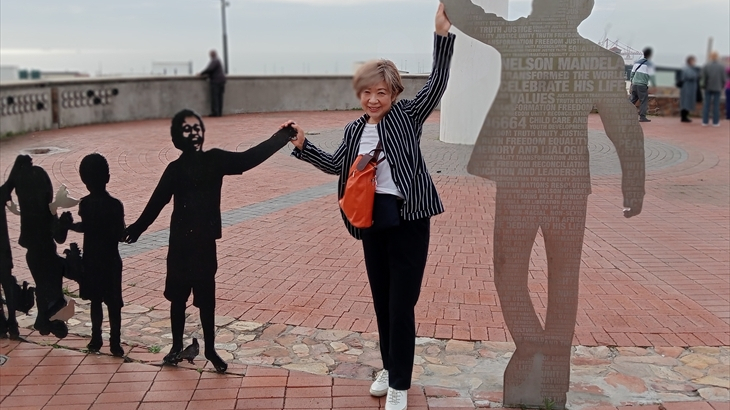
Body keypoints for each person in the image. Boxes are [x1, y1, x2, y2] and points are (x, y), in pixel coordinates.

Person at [442, 0, 646, 407]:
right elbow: (623, 122)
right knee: (561, 280)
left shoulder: (520, 37)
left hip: (525, 180)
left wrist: (635, 183)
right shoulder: (598, 59)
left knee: (511, 273)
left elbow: (467, 15)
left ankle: (535, 351)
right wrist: (633, 183)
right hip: (563, 183)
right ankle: (548, 362)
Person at [284, 6, 454, 410]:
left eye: (381, 92)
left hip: (410, 220)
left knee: (401, 304)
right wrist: (304, 146)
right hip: (371, 221)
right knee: (382, 300)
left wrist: (441, 35)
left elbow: (438, 82)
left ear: (393, 94)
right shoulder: (354, 129)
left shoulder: (408, 115)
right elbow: (336, 165)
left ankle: (400, 383)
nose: (373, 99)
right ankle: (389, 367)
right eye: (367, 92)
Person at [123, 109, 295, 373]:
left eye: (196, 128)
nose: (193, 133)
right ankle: (176, 346)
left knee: (207, 300)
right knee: (177, 299)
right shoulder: (174, 170)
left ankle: (210, 349)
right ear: (176, 139)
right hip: (180, 245)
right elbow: (156, 203)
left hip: (203, 244)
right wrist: (137, 228)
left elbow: (248, 158)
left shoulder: (215, 159)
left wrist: (282, 137)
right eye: (186, 130)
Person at [63, 153, 126, 356]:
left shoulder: (85, 204)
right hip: (110, 260)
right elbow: (120, 233)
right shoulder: (115, 205)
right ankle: (115, 343)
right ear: (107, 177)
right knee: (114, 304)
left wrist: (70, 226)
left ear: (84, 180)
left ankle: (96, 338)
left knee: (95, 301)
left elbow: (84, 227)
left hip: (92, 260)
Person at [4, 155, 72, 339]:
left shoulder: (29, 216)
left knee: (44, 288)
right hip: (47, 255)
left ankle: (44, 318)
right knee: (50, 289)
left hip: (35, 255)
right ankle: (46, 318)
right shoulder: (47, 213)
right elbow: (59, 238)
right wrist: (64, 224)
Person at [0, 181, 19, 340]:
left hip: (3, 251)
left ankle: (4, 324)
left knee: (7, 285)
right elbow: (11, 182)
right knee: (8, 285)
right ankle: (12, 323)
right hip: (3, 251)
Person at [629, 47, 657, 122]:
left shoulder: (637, 62)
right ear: (650, 55)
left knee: (632, 101)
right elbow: (652, 76)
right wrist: (654, 85)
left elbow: (632, 74)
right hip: (642, 85)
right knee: (643, 101)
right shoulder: (649, 64)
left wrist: (632, 82)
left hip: (634, 84)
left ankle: (624, 113)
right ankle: (642, 117)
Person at [199, 50, 227, 117]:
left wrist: (201, 73)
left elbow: (210, 69)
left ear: (211, 55)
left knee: (215, 97)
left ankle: (215, 112)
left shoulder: (214, 61)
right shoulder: (218, 61)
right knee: (220, 97)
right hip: (221, 80)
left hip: (216, 81)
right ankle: (219, 112)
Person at [701, 51, 726, 126]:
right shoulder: (721, 66)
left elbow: (702, 76)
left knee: (706, 104)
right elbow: (724, 78)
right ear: (717, 57)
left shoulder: (706, 65)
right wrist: (722, 86)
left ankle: (705, 121)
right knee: (716, 105)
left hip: (708, 87)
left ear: (710, 57)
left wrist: (704, 85)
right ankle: (715, 122)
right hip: (717, 87)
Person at [678, 55, 700, 123]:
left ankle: (685, 116)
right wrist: (697, 75)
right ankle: (684, 117)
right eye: (693, 61)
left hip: (690, 88)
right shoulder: (687, 68)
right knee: (686, 102)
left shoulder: (690, 68)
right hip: (687, 88)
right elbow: (690, 76)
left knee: (687, 102)